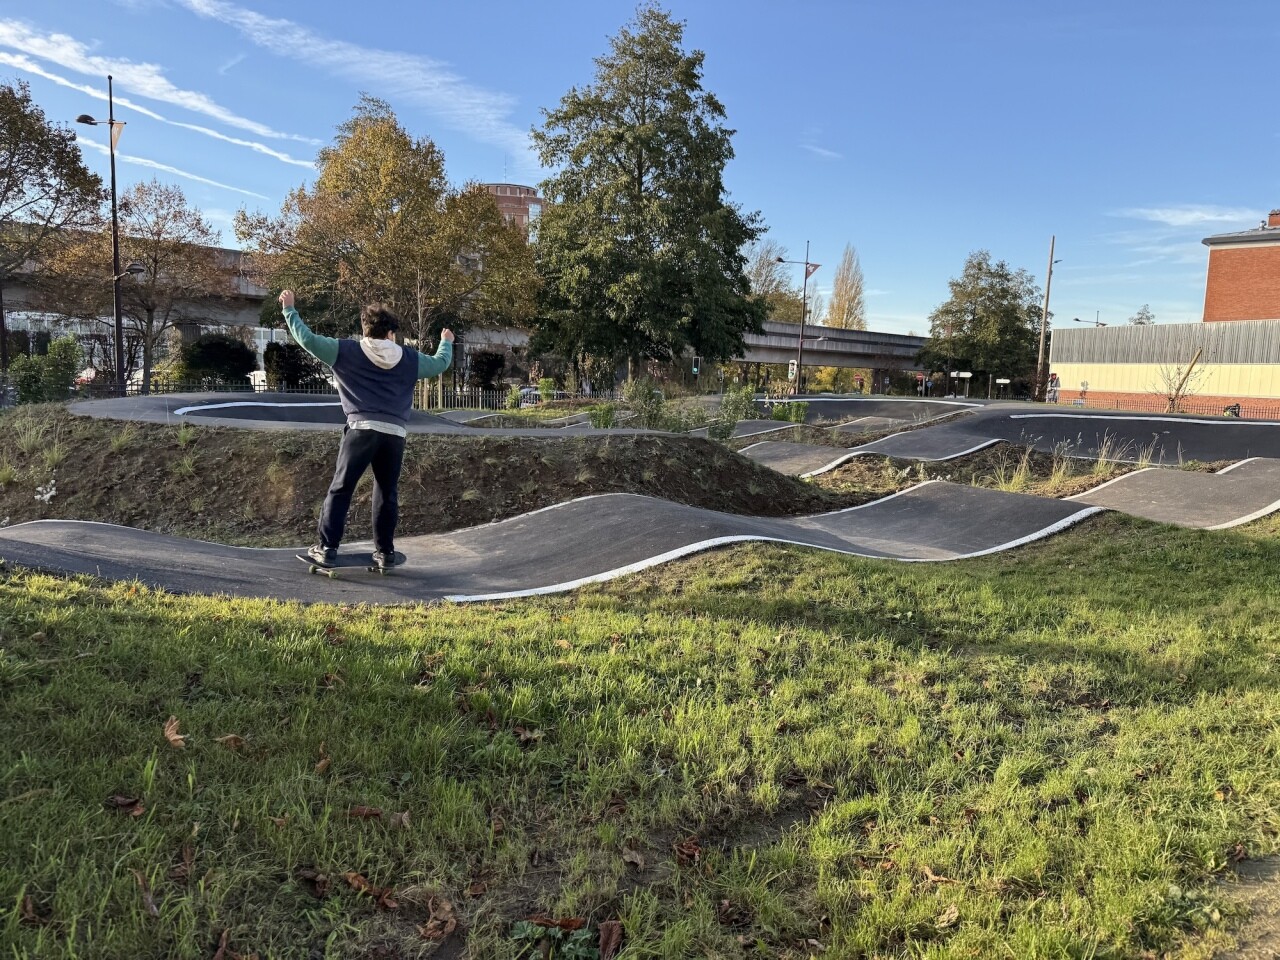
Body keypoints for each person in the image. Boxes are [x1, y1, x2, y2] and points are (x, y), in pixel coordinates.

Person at [277, 290, 453, 568]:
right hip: (394, 434)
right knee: (386, 492)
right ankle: (385, 552)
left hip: (361, 430)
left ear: (365, 329)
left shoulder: (346, 350)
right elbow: (440, 363)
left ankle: (327, 548)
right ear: (391, 333)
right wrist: (446, 342)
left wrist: (289, 310)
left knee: (342, 488)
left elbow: (307, 339)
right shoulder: (410, 359)